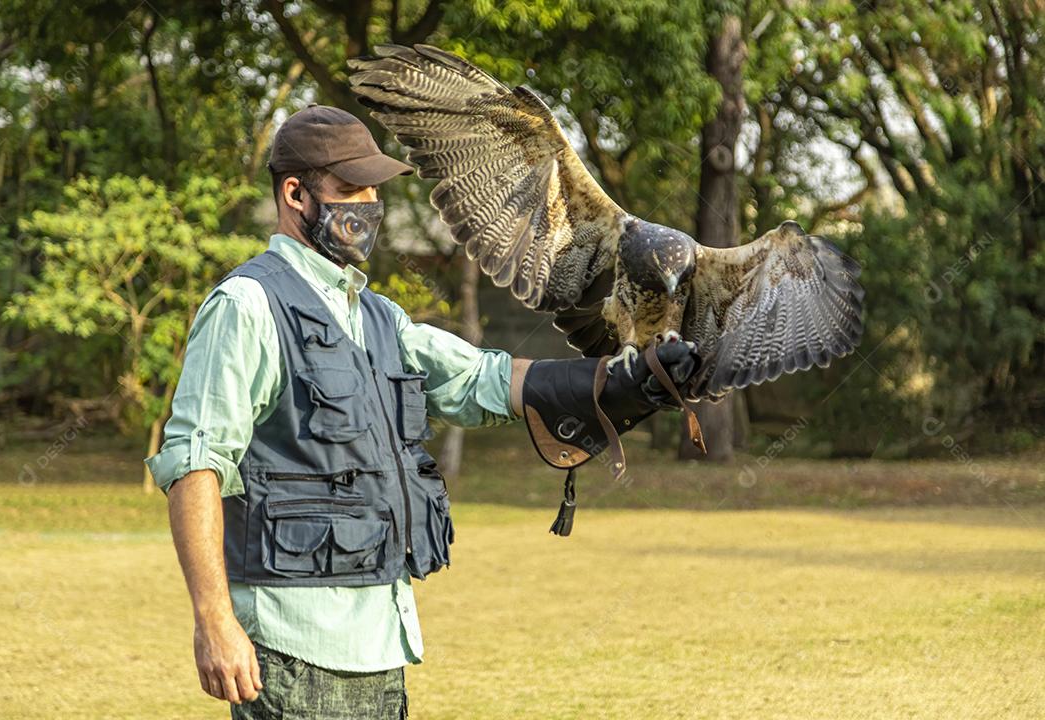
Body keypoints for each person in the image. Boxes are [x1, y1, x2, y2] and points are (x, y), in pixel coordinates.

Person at [145, 105, 698, 719]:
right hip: (289, 644)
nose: (370, 204)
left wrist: (621, 381)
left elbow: (480, 379)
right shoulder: (248, 306)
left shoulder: (380, 317)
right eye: (352, 188)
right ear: (295, 194)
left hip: (383, 643)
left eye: (375, 190)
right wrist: (214, 620)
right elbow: (195, 464)